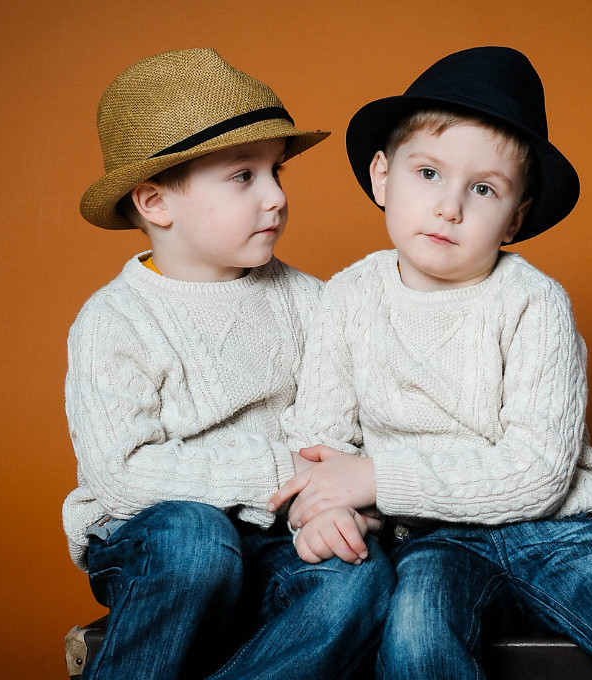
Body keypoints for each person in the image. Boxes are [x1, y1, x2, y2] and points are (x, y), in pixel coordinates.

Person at [271, 47, 592, 679]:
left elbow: (538, 472)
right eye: (428, 173)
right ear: (382, 176)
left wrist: (377, 478)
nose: (449, 206)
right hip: (432, 539)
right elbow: (319, 445)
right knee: (416, 636)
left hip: (563, 530)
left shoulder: (535, 302)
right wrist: (326, 510)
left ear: (514, 218)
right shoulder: (348, 297)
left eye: (483, 189)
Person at [63, 48, 393, 680]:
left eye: (276, 172)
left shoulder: (311, 301)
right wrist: (281, 470)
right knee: (197, 539)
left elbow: (335, 428)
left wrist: (327, 504)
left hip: (278, 532)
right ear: (156, 203)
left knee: (360, 576)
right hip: (158, 540)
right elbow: (124, 474)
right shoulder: (115, 319)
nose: (276, 197)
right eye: (244, 176)